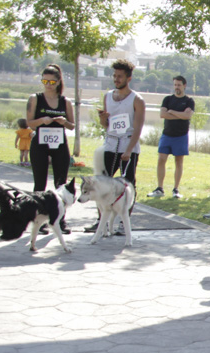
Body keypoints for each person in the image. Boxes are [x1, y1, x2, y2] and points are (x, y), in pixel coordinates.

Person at [86, 59, 144, 234]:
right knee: (102, 183)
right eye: (114, 76)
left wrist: (128, 150)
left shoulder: (137, 100)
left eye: (120, 76)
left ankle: (123, 223)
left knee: (128, 184)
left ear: (129, 78)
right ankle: (101, 221)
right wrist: (103, 119)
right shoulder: (108, 96)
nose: (116, 79)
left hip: (128, 146)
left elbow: (138, 127)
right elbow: (106, 124)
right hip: (110, 144)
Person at [27, 64, 75, 233]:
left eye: (52, 81)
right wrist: (42, 121)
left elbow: (72, 125)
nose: (48, 84)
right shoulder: (35, 98)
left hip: (59, 145)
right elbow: (29, 123)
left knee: (61, 184)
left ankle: (60, 221)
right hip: (40, 144)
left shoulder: (65, 101)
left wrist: (63, 122)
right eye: (45, 81)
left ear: (58, 81)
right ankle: (38, 221)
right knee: (39, 183)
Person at [148, 75, 195, 199]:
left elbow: (187, 116)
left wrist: (172, 112)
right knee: (161, 159)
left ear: (184, 85)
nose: (176, 87)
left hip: (181, 136)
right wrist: (180, 114)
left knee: (178, 162)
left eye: (179, 85)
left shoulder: (189, 101)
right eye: (175, 85)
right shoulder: (167, 99)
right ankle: (159, 188)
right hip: (167, 134)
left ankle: (175, 189)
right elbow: (162, 114)